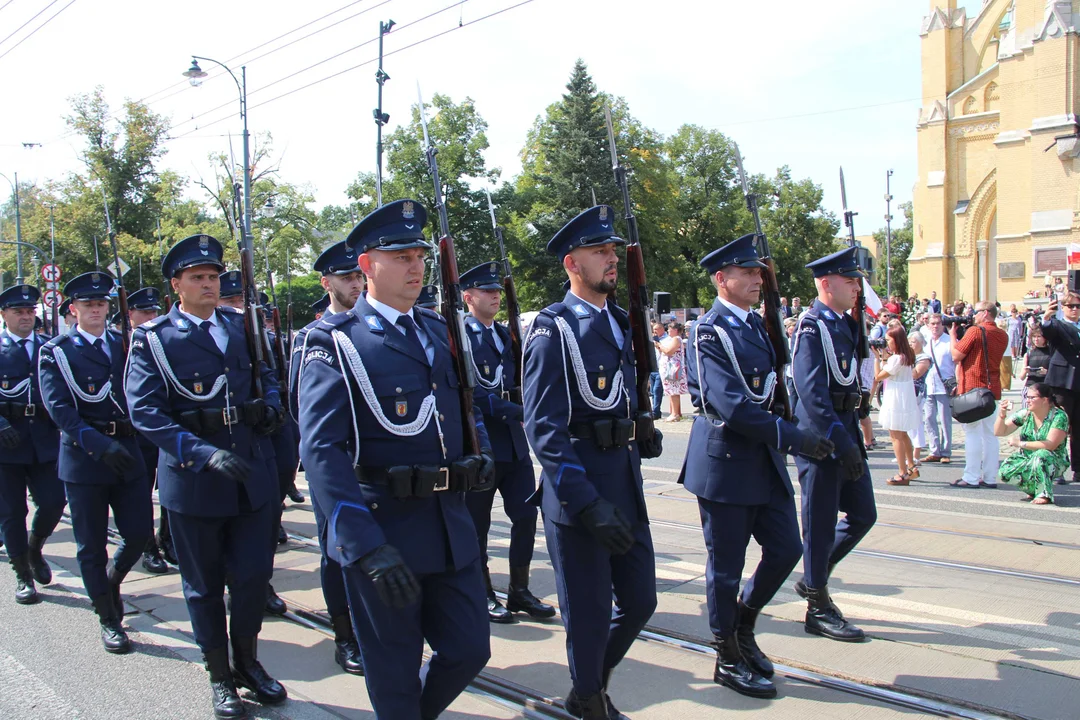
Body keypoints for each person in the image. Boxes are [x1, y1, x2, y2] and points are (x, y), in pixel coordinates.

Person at [298, 200, 495, 719]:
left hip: (449, 526)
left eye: (420, 255)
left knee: (471, 650)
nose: (415, 266)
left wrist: (482, 456)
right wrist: (362, 545)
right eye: (401, 256)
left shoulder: (436, 330)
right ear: (366, 267)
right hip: (384, 529)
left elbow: (463, 409)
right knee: (394, 672)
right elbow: (321, 450)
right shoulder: (335, 341)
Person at [127, 234, 287, 718]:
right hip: (194, 481)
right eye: (197, 277)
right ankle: (220, 676)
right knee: (202, 586)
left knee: (253, 577)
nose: (209, 285)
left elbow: (270, 376)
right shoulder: (154, 338)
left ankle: (248, 664)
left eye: (214, 277)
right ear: (176, 285)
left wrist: (272, 409)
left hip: (251, 476)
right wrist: (199, 452)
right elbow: (145, 411)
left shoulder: (244, 327)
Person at [523, 205, 663, 719]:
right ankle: (590, 700)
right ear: (571, 264)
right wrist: (586, 504)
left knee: (641, 601)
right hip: (578, 495)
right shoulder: (552, 329)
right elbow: (544, 430)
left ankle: (587, 689)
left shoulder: (621, 322)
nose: (611, 259)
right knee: (586, 613)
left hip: (623, 483)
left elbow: (620, 394)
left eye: (612, 251)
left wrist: (638, 426)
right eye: (599, 251)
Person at [682, 234, 832, 699]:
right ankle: (726, 652)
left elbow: (771, 388)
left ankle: (743, 624)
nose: (756, 280)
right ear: (721, 279)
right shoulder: (708, 331)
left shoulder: (758, 325)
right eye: (746, 273)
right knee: (725, 568)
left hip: (763, 461)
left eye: (758, 273)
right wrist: (795, 437)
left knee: (787, 549)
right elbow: (732, 405)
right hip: (726, 462)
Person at [38, 272, 152, 653]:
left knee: (138, 535)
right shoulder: (55, 351)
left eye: (101, 304)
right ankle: (107, 617)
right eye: (88, 304)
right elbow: (60, 411)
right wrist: (100, 446)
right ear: (73, 309)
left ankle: (112, 581)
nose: (96, 310)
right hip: (86, 459)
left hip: (129, 451)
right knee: (90, 545)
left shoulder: (125, 344)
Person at [286, 240, 366, 676]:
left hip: (378, 466)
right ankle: (344, 634)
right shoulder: (311, 337)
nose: (354, 283)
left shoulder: (374, 327)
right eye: (345, 277)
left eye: (358, 275)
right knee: (337, 551)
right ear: (327, 283)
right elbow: (303, 405)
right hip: (335, 463)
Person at [460, 262, 554, 624]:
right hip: (482, 444)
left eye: (497, 290)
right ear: (468, 297)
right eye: (486, 291)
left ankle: (519, 589)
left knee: (526, 517)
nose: (495, 296)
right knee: (477, 524)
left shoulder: (505, 335)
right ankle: (482, 592)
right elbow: (472, 395)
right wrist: (517, 409)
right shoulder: (462, 335)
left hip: (514, 445)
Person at [791, 246, 876, 642]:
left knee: (863, 513)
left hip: (845, 428)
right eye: (849, 280)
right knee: (820, 523)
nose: (857, 288)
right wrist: (843, 443)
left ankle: (813, 577)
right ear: (826, 284)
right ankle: (817, 605)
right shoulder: (812, 325)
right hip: (822, 438)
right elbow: (812, 394)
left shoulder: (844, 322)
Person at [0, 284, 65, 605]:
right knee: (12, 512)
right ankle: (22, 574)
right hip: (6, 445)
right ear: (4, 315)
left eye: (30, 311)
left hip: (43, 440)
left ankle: (34, 547)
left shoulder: (49, 346)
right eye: (18, 312)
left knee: (54, 502)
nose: (26, 317)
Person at [122, 287, 172, 575]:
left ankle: (168, 538)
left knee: (166, 490)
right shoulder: (118, 344)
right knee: (141, 496)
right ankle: (148, 548)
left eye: (154, 311)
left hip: (161, 429)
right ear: (130, 316)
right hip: (133, 434)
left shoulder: (164, 341)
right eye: (144, 312)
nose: (150, 316)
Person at [950, 301, 1009, 488]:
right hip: (992, 390)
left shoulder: (975, 331)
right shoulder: (1003, 335)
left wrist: (953, 336)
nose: (973, 315)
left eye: (976, 312)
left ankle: (971, 476)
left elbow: (956, 355)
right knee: (990, 435)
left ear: (985, 313)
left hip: (974, 388)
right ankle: (990, 477)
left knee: (972, 433)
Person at [994, 384, 1068, 505]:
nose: (1027, 401)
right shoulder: (1026, 413)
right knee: (1005, 471)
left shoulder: (1059, 416)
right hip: (1028, 458)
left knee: (1041, 455)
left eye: (1032, 397)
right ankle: (1032, 488)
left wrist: (1020, 443)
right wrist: (1002, 414)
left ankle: (1044, 494)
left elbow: (1050, 445)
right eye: (1026, 397)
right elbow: (1000, 432)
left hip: (1053, 459)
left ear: (1044, 400)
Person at [1040, 295, 1080, 484]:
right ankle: (1058, 469)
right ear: (1063, 307)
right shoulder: (1057, 325)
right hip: (1063, 382)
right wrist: (1047, 318)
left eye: (1078, 306)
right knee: (1060, 426)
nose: (1074, 309)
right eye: (1070, 306)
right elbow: (1047, 331)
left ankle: (1078, 469)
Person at [874, 326, 921, 485]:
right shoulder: (906, 356)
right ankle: (911, 466)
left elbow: (878, 376)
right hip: (904, 396)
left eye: (889, 340)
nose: (886, 343)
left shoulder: (896, 358)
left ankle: (902, 472)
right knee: (903, 433)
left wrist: (877, 358)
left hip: (895, 397)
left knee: (895, 436)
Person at [922, 314, 955, 464]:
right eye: (933, 324)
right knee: (929, 418)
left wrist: (957, 383)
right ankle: (934, 450)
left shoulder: (949, 342)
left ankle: (946, 451)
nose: (935, 326)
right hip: (929, 385)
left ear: (943, 325)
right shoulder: (925, 342)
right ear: (928, 325)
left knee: (944, 420)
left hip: (944, 386)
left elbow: (956, 363)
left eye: (938, 324)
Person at [908, 333, 932, 465]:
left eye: (913, 342)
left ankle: (916, 455)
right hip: (906, 391)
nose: (911, 345)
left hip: (917, 393)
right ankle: (908, 453)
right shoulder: (909, 356)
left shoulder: (924, 358)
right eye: (909, 342)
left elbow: (916, 374)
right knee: (907, 424)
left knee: (916, 423)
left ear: (921, 342)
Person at [658, 322, 688, 422]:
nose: (668, 331)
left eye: (670, 329)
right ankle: (675, 413)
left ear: (675, 330)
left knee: (673, 391)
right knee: (671, 391)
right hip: (671, 367)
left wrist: (659, 345)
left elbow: (669, 351)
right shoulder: (674, 339)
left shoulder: (676, 339)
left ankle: (675, 414)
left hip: (673, 368)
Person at [1020, 327, 1051, 398]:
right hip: (1030, 385)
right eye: (1034, 337)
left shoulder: (1051, 353)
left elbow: (1056, 374)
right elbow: (1021, 377)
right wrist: (1025, 371)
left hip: (1045, 386)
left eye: (1039, 336)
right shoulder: (1029, 353)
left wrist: (1047, 372)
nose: (1036, 339)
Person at [650, 321, 665, 419]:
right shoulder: (652, 339)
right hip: (653, 368)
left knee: (657, 390)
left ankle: (655, 411)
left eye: (656, 329)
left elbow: (665, 351)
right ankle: (655, 410)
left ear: (662, 329)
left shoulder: (666, 339)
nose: (654, 331)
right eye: (653, 330)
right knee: (652, 391)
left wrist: (658, 344)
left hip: (661, 367)